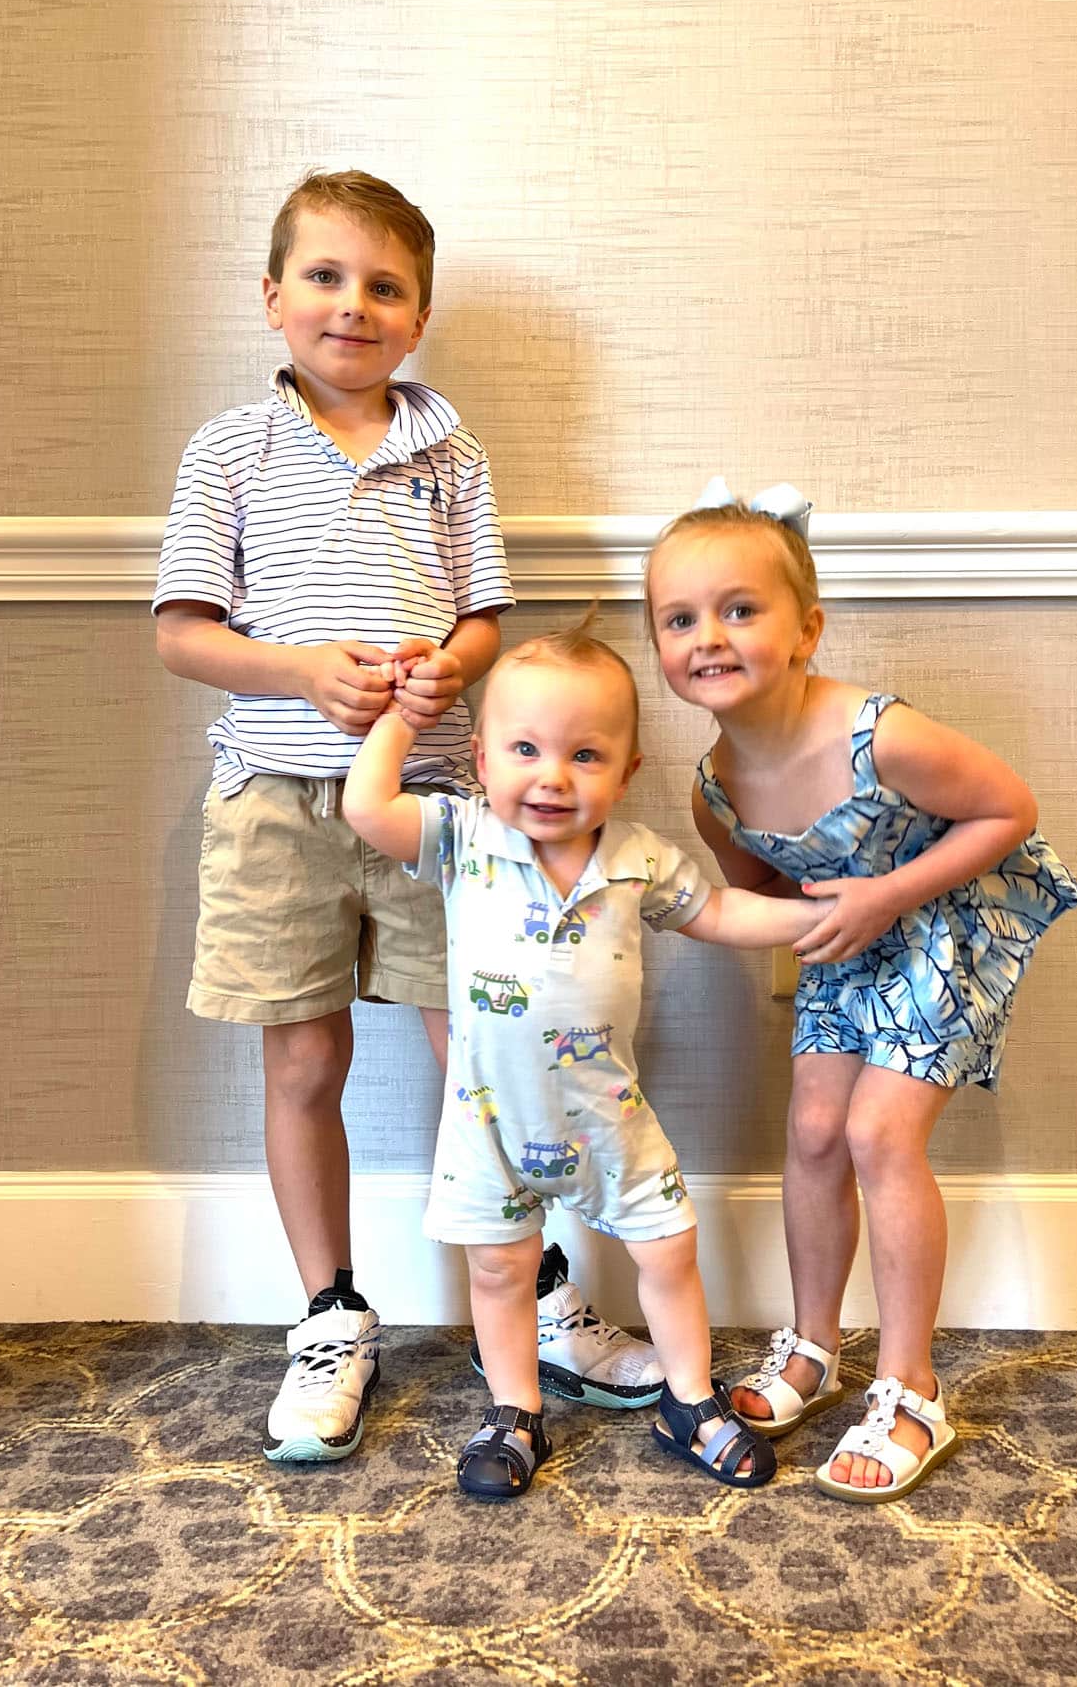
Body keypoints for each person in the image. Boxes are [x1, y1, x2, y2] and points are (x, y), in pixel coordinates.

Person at [153, 169, 647, 1464]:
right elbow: (183, 635)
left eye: (384, 287)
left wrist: (452, 665)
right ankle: (329, 1314)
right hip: (275, 803)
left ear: (417, 317)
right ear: (272, 296)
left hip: (435, 808)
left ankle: (532, 1290)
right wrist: (302, 671)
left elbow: (483, 617)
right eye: (324, 277)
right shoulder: (228, 450)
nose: (352, 305)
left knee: (486, 1050)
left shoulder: (452, 452)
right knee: (303, 1062)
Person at [644, 488, 1077, 1502]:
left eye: (740, 609)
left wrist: (886, 894)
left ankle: (911, 1386)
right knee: (811, 1130)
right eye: (679, 618)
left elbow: (1009, 810)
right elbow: (760, 889)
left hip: (944, 926)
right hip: (848, 952)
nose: (709, 636)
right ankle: (813, 1346)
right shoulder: (714, 787)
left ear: (806, 629)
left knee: (879, 1134)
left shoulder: (880, 735)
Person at [342, 622, 834, 1499]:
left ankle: (689, 1398)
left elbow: (721, 913)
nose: (552, 776)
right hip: (491, 1119)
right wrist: (405, 718)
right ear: (482, 759)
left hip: (610, 1113)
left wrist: (818, 915)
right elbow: (367, 807)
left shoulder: (636, 857)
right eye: (524, 749)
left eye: (584, 754)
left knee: (670, 1246)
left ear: (626, 770)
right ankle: (513, 1409)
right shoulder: (462, 836)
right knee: (501, 1267)